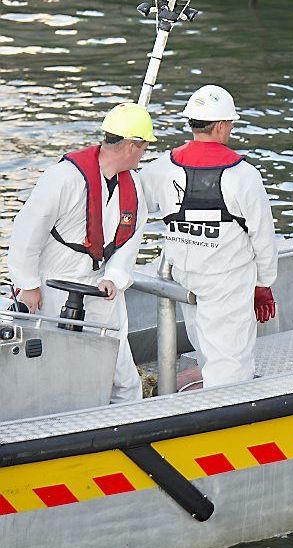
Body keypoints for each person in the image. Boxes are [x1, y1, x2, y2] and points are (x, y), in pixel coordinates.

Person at [7, 102, 154, 403]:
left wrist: (114, 277)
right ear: (130, 147)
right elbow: (27, 231)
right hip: (52, 287)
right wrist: (30, 284)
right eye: (143, 147)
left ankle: (125, 426)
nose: (144, 153)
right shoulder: (63, 178)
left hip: (101, 288)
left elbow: (129, 242)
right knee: (52, 367)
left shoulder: (134, 187)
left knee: (122, 375)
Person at [140, 84, 277, 388]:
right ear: (220, 126)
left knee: (205, 348)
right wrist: (263, 284)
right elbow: (264, 239)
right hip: (227, 281)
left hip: (186, 279)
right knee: (231, 364)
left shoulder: (161, 168)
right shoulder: (244, 175)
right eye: (230, 124)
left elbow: (132, 204)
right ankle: (225, 421)